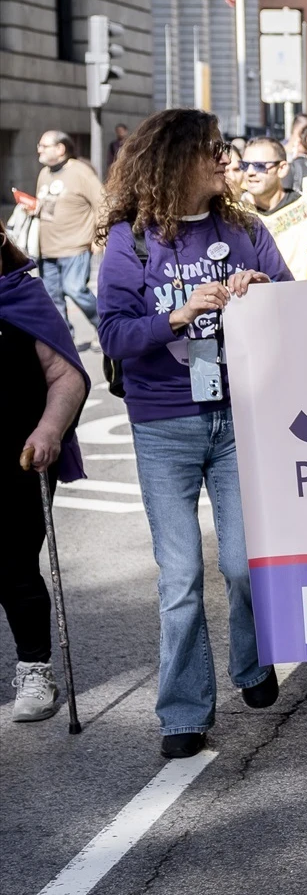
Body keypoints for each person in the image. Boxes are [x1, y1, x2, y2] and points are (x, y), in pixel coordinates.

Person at [96, 110, 293, 759]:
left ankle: (254, 661)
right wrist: (178, 315)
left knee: (241, 565)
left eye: (225, 148)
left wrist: (262, 292)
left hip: (240, 418)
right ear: (175, 160)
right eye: (212, 149)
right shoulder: (134, 241)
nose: (225, 158)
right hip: (164, 423)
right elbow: (115, 335)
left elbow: (294, 310)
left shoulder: (246, 229)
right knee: (178, 577)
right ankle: (183, 711)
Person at [1, 236, 89, 723]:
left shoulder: (23, 297)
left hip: (22, 454)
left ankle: (35, 668)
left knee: (12, 562)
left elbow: (67, 375)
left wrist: (50, 430)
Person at [30, 131, 104, 345]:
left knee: (75, 290)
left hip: (75, 246)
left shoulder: (81, 172)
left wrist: (99, 237)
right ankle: (65, 341)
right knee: (53, 299)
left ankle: (104, 328)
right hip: (47, 250)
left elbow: (102, 203)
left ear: (60, 149)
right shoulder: (44, 173)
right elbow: (43, 204)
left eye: (44, 146)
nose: (39, 149)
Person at [238, 138, 307, 280]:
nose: (250, 172)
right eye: (245, 165)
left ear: (282, 168)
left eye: (259, 165)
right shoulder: (233, 214)